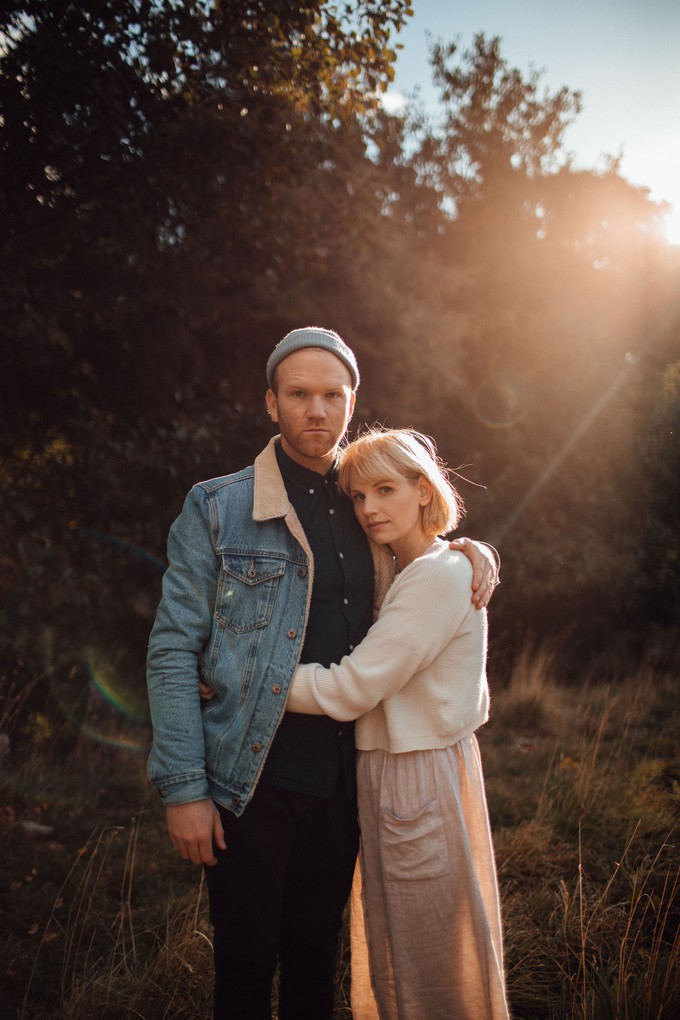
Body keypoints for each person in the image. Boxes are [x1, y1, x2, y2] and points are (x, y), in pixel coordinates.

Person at [146, 327, 499, 1020]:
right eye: (299, 394)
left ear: (351, 401)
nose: (317, 410)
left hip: (346, 781)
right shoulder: (218, 507)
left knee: (317, 962)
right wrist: (183, 788)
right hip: (249, 781)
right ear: (270, 403)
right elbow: (171, 651)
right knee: (245, 964)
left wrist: (471, 548)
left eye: (332, 395)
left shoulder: (367, 498)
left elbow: (426, 556)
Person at [285, 426, 510, 1020]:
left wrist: (256, 683)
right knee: (401, 952)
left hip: (417, 775)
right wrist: (473, 547)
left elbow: (352, 686)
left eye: (385, 490)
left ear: (423, 489)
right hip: (403, 769)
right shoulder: (408, 566)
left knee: (427, 959)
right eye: (358, 497)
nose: (369, 509)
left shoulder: (435, 576)